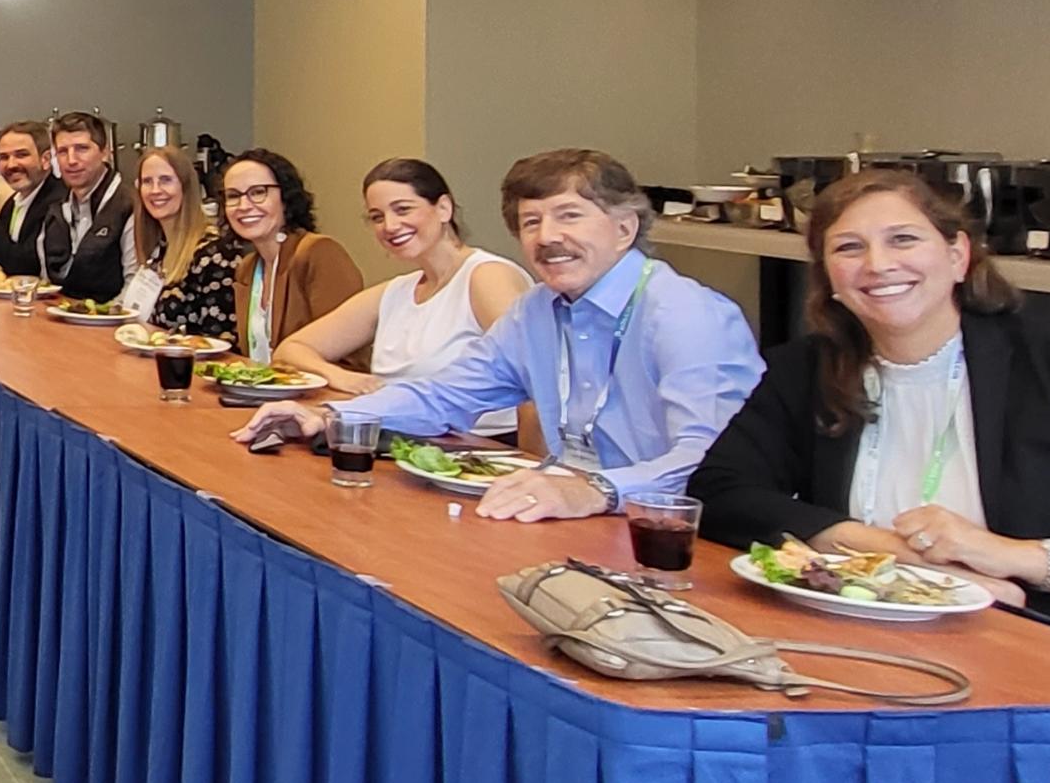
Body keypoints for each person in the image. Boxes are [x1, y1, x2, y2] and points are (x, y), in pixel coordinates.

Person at [697, 169, 1050, 685]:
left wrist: (1011, 557)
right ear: (830, 280)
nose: (877, 265)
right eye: (849, 248)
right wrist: (888, 552)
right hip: (878, 653)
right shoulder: (809, 369)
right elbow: (721, 493)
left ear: (958, 256)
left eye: (903, 239)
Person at [237, 147, 761, 522]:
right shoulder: (537, 312)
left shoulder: (687, 316)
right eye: (530, 223)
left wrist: (596, 491)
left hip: (671, 537)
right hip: (565, 516)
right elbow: (447, 393)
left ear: (625, 229)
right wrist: (331, 416)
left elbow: (710, 466)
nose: (547, 238)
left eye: (569, 217)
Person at [276, 159, 532, 434]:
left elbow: (533, 377)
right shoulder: (394, 292)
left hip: (478, 448)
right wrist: (343, 377)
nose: (390, 225)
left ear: (444, 208)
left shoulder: (486, 276)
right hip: (397, 438)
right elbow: (290, 350)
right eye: (377, 217)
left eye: (403, 210)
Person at [219, 148, 363, 362]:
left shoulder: (319, 253)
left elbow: (348, 357)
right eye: (233, 196)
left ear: (286, 198)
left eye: (258, 192)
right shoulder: (247, 268)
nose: (244, 206)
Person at [118, 141, 236, 341]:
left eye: (165, 180)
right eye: (147, 181)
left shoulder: (213, 254)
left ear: (186, 186)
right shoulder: (158, 249)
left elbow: (220, 340)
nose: (155, 190)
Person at [28, 111, 134, 298]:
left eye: (81, 149)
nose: (71, 160)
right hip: (58, 318)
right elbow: (45, 282)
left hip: (112, 322)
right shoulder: (54, 209)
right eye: (62, 151)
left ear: (105, 153)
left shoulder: (129, 205)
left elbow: (134, 287)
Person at [0, 119, 59, 273]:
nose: (11, 165)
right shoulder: (13, 203)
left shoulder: (58, 202)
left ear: (46, 160)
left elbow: (24, 265)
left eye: (21, 155)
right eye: (4, 157)